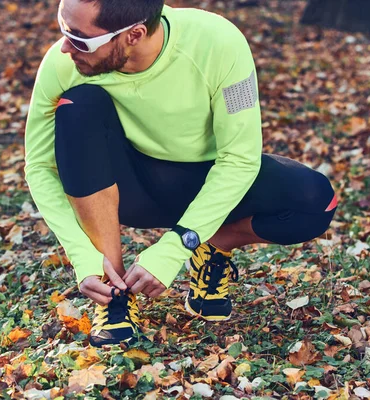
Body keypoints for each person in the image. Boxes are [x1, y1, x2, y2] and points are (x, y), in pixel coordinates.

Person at [25, 0, 338, 347]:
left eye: (81, 39)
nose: (65, 47)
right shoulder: (63, 63)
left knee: (316, 202)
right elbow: (39, 167)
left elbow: (240, 159)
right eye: (63, 29)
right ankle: (112, 294)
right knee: (77, 106)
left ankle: (212, 244)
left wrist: (176, 248)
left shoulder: (219, 43)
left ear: (134, 34)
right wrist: (82, 256)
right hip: (131, 186)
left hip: (208, 181)